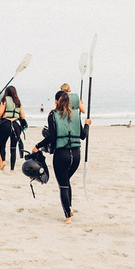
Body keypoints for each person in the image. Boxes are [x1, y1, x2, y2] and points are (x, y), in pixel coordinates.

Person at [32, 90, 91, 224]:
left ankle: (68, 217)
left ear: (57, 101)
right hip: (76, 155)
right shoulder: (76, 115)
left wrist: (37, 146)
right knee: (66, 181)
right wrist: (87, 124)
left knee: (63, 185)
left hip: (62, 154)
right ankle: (69, 208)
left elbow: (51, 136)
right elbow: (83, 135)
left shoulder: (53, 115)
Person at [0, 86, 26, 173]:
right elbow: (23, 116)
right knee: (13, 148)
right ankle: (12, 170)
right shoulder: (18, 102)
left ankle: (3, 161)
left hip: (6, 124)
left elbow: (0, 113)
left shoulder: (4, 100)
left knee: (2, 144)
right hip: (15, 125)